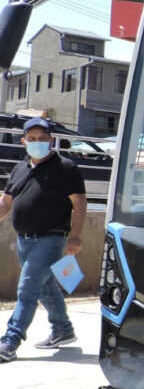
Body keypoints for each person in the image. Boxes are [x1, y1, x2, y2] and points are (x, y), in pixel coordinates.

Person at [0, 118, 85, 363]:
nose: (38, 143)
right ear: (23, 141)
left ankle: (10, 340)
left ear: (50, 140)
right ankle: (63, 330)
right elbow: (6, 202)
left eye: (43, 138)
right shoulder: (20, 169)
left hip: (51, 239)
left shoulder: (65, 167)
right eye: (32, 138)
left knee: (27, 289)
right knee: (44, 288)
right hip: (24, 241)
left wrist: (76, 236)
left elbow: (79, 203)